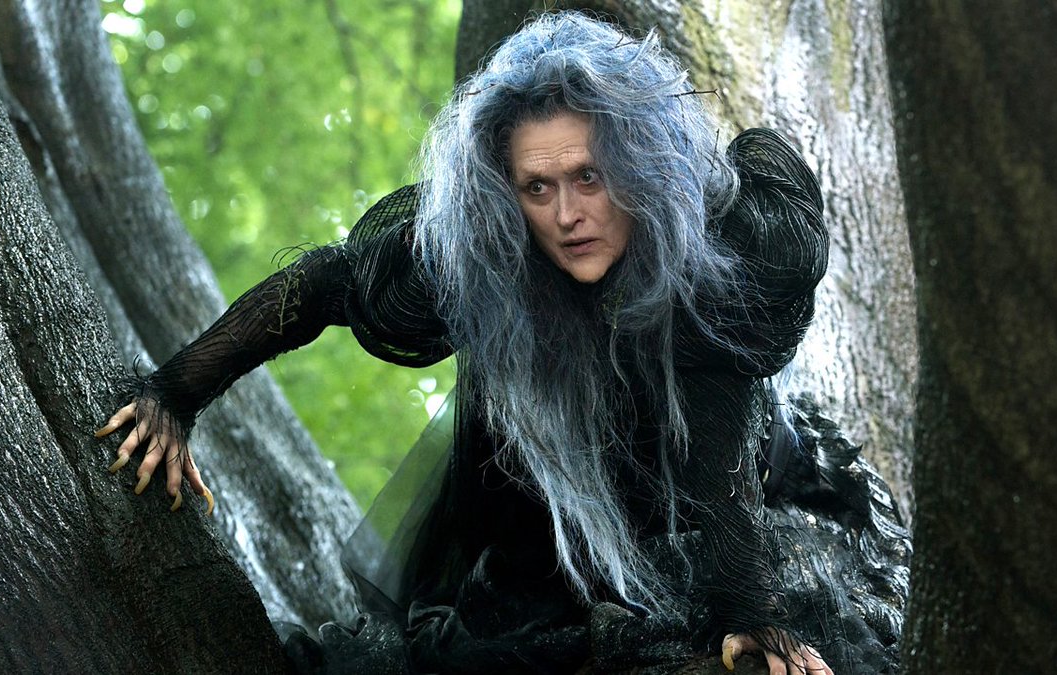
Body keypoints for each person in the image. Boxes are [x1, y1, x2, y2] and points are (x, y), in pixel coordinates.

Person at [96, 11, 908, 675]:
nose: (567, 214)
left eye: (589, 176)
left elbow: (720, 450)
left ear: (638, 168)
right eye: (537, 187)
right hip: (546, 536)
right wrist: (173, 395)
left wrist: (751, 611)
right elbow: (318, 285)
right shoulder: (481, 259)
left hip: (741, 505)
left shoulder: (716, 260)